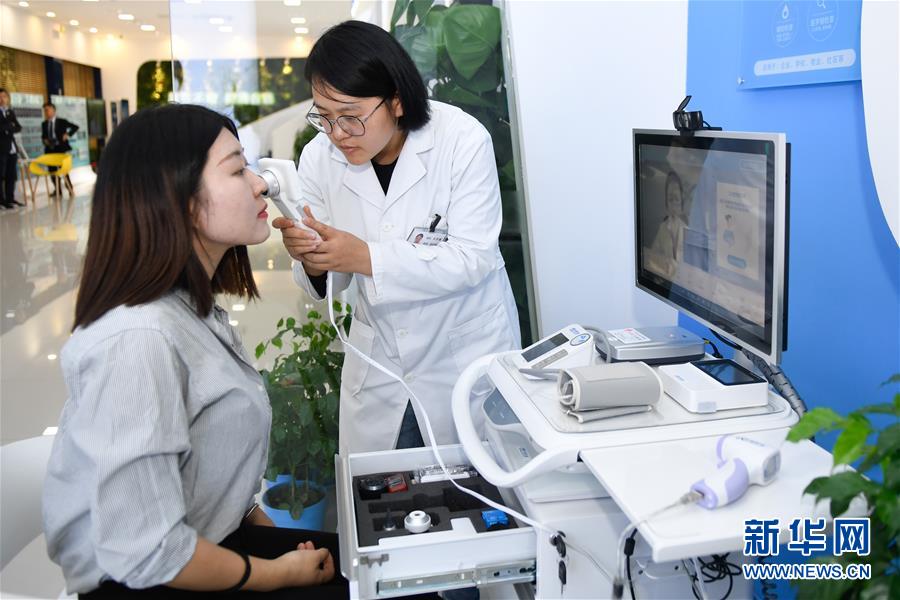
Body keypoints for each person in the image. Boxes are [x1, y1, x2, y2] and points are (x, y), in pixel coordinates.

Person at [42, 104, 348, 599]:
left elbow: (205, 466)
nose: (261, 184)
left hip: (208, 540)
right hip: (152, 579)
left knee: (363, 567)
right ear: (180, 199)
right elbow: (146, 551)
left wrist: (266, 531)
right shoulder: (138, 339)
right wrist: (278, 574)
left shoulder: (191, 310)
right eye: (238, 169)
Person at [274, 20, 521, 455]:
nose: (337, 133)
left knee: (479, 485)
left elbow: (472, 258)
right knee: (382, 489)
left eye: (351, 116)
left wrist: (364, 257)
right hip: (380, 368)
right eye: (324, 116)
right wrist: (314, 259)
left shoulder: (461, 140)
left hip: (461, 359)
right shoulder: (318, 157)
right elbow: (331, 280)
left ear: (397, 102)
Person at [649, 170, 689, 277]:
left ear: (682, 200)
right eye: (670, 199)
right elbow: (653, 257)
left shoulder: (690, 229)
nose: (673, 203)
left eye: (676, 198)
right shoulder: (663, 227)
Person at [41, 101, 78, 196]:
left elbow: (75, 127)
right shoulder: (44, 124)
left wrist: (67, 134)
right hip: (50, 150)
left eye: (48, 110)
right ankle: (58, 190)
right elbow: (43, 136)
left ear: (54, 110)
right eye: (45, 111)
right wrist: (45, 141)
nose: (46, 112)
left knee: (64, 170)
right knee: (52, 171)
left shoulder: (62, 121)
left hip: (60, 149)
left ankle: (70, 188)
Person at [0, 88, 23, 208]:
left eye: (4, 96)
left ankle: (10, 199)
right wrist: (9, 126)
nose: (2, 99)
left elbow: (18, 127)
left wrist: (7, 127)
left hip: (12, 148)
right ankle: (1, 201)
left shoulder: (10, 112)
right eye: (0, 97)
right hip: (1, 148)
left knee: (11, 175)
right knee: (1, 175)